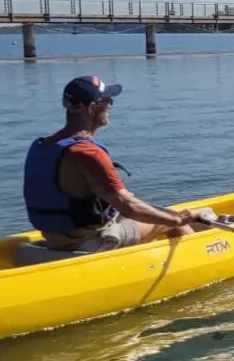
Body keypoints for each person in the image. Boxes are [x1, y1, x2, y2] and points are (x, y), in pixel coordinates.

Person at [23, 75, 204, 252]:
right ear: (93, 108)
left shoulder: (43, 146)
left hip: (55, 236)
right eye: (108, 102)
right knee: (168, 221)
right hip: (87, 241)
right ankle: (202, 259)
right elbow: (129, 207)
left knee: (157, 215)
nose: (110, 107)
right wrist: (179, 219)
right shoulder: (88, 153)